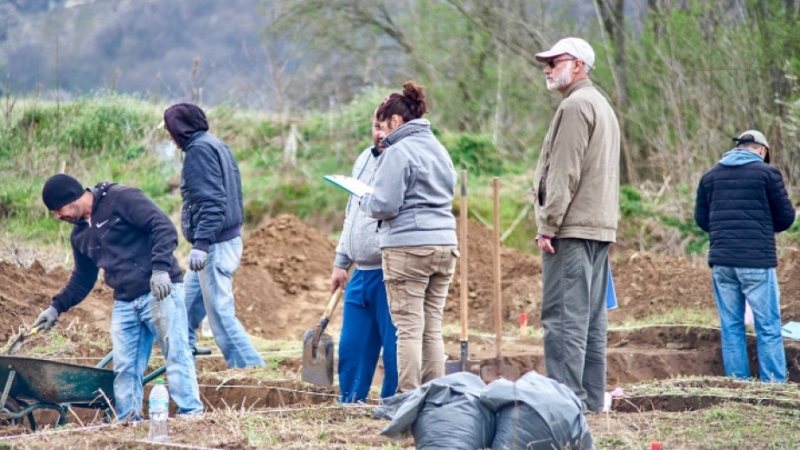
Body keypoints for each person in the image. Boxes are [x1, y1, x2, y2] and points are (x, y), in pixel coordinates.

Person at [34, 174, 203, 421]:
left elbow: (162, 226)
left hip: (159, 291)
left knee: (176, 353)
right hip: (125, 302)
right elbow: (82, 278)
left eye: (58, 210)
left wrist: (159, 269)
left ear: (73, 198)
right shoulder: (79, 235)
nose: (58, 217)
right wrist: (56, 307)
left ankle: (192, 415)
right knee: (125, 368)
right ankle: (128, 422)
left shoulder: (120, 198)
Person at [532, 37, 620, 412]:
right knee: (589, 320)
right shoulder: (601, 104)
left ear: (578, 65)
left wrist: (548, 224)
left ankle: (565, 407)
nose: (547, 68)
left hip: (571, 230)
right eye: (546, 62)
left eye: (555, 61)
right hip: (599, 229)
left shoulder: (575, 106)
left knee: (564, 319)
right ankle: (591, 400)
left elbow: (564, 172)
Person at [359, 82, 458, 393]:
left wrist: (364, 200)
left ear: (396, 122)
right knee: (432, 328)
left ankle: (408, 398)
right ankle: (434, 398)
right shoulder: (439, 149)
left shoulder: (398, 152)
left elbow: (385, 205)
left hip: (408, 248)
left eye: (383, 124)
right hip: (445, 246)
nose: (381, 133)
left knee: (409, 330)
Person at [162, 103, 264, 368]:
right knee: (186, 308)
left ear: (180, 128)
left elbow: (213, 202)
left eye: (169, 130)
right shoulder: (215, 144)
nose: (169, 136)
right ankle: (182, 359)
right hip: (221, 240)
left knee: (219, 315)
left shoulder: (198, 152)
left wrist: (202, 243)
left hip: (214, 245)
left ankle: (251, 369)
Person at [694, 130, 795, 382]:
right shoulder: (767, 174)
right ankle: (773, 384)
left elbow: (702, 221)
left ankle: (738, 383)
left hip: (722, 262)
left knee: (731, 326)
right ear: (761, 150)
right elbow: (785, 218)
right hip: (756, 262)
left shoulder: (710, 176)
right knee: (768, 326)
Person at [330, 106, 398, 403]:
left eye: (385, 126)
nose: (379, 133)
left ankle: (393, 404)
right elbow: (351, 213)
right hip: (361, 273)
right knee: (352, 346)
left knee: (395, 346)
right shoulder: (363, 159)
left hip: (391, 271)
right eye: (375, 125)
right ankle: (350, 403)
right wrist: (341, 261)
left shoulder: (400, 161)